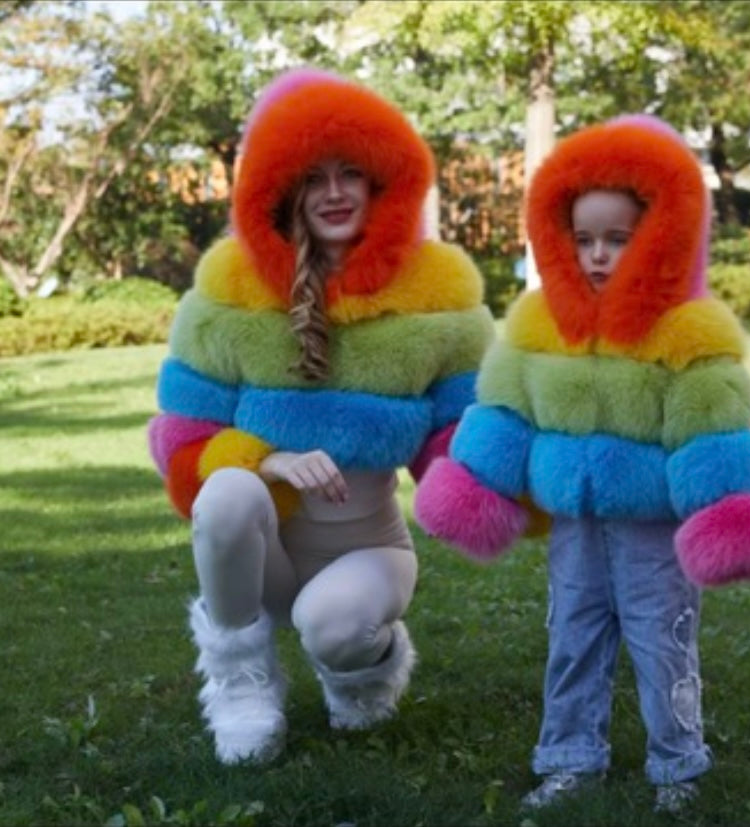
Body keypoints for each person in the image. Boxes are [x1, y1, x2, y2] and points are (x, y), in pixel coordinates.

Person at [414, 115, 750, 812]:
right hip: (574, 522)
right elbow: (504, 410)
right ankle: (568, 756)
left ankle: (678, 762)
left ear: (662, 234)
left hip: (652, 525)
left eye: (618, 239)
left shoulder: (685, 331)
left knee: (661, 640)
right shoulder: (538, 325)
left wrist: (726, 512)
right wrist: (473, 484)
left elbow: (709, 430)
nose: (597, 254)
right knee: (573, 636)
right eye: (583, 239)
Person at [147, 67, 495, 765]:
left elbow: (458, 433)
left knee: (329, 624)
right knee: (226, 492)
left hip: (369, 550)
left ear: (380, 183)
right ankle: (240, 678)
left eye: (350, 173)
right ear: (283, 189)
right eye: (313, 177)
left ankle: (366, 661)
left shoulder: (438, 296)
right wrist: (263, 458)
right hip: (265, 552)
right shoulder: (228, 294)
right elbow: (182, 440)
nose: (334, 193)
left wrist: (479, 483)